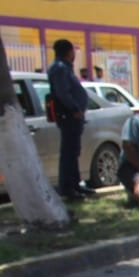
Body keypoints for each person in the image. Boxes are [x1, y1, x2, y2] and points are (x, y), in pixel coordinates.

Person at [47, 39, 95, 200]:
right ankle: (67, 187)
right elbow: (63, 92)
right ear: (69, 52)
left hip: (74, 116)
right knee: (69, 152)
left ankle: (75, 184)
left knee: (74, 151)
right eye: (73, 51)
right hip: (69, 116)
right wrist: (74, 108)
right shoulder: (60, 69)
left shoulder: (65, 68)